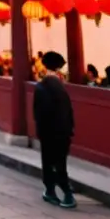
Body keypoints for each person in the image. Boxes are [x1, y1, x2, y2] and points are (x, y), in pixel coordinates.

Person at [32, 51, 75, 208]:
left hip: (49, 132)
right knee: (60, 162)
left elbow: (39, 113)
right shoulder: (62, 88)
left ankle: (55, 191)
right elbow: (69, 111)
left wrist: (40, 133)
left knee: (49, 162)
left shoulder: (42, 87)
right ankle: (66, 192)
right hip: (63, 131)